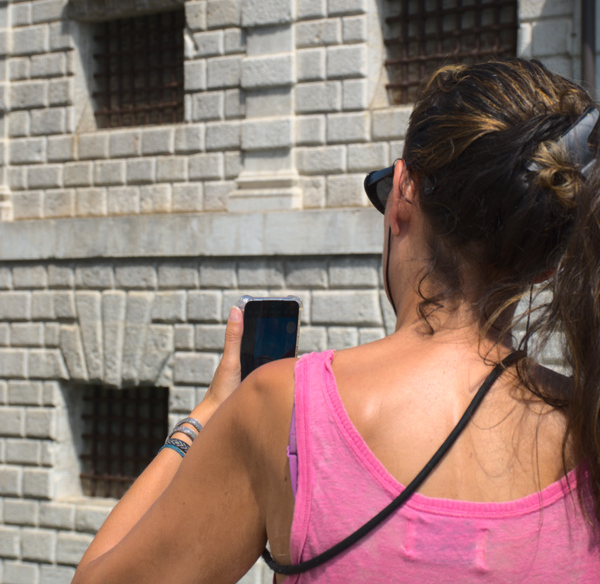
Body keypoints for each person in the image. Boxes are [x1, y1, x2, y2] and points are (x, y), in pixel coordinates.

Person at [72, 58, 600, 583]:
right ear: (546, 263)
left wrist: (205, 418)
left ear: (403, 194)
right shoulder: (588, 428)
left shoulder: (284, 406)